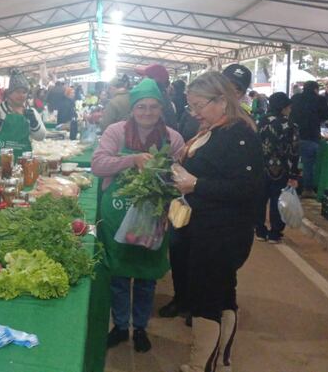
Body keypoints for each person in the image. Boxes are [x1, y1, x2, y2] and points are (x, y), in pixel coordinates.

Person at [171, 71, 263, 372]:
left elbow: (247, 188)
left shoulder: (238, 135)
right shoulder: (216, 129)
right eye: (191, 106)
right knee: (222, 293)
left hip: (223, 231)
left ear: (222, 101)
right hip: (207, 226)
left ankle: (202, 365)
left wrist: (196, 184)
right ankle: (221, 361)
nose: (194, 113)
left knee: (207, 296)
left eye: (199, 105)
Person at [92, 78, 185, 353]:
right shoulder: (116, 132)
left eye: (153, 107)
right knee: (118, 273)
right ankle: (121, 326)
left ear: (161, 109)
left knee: (146, 275)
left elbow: (182, 175)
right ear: (132, 109)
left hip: (153, 217)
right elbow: (98, 165)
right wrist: (132, 160)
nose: (147, 112)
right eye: (141, 107)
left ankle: (141, 327)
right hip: (117, 213)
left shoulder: (173, 138)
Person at [0, 71, 45, 164]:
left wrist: (34, 124)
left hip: (23, 161)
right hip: (0, 162)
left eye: (24, 92)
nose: (21, 95)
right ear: (9, 93)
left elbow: (41, 137)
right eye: (17, 92)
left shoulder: (31, 112)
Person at [256, 92, 300, 243]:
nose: (290, 110)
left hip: (260, 168)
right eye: (289, 107)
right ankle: (275, 233)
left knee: (260, 199)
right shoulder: (290, 125)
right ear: (283, 107)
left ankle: (260, 231)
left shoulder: (260, 122)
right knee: (277, 200)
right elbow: (294, 151)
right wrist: (294, 174)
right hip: (281, 170)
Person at [290, 80, 328, 198]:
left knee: (293, 161)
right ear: (316, 89)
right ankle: (307, 189)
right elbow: (327, 115)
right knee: (308, 164)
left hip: (294, 134)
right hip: (311, 135)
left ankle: (291, 187)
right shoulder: (320, 99)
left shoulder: (296, 98)